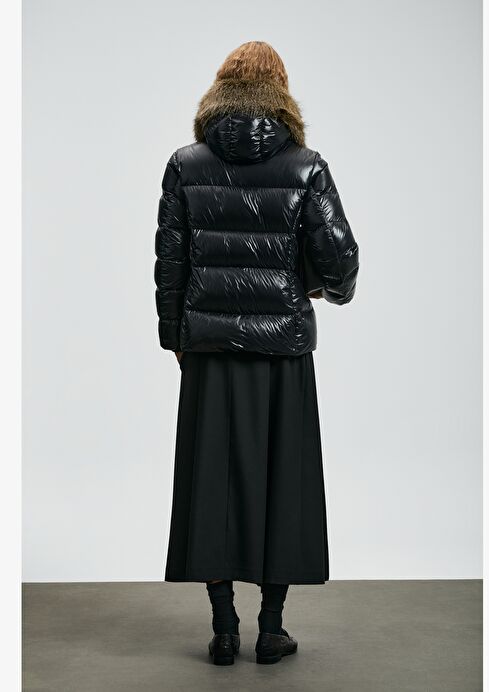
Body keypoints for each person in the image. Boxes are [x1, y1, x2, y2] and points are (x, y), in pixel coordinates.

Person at [154, 41, 359, 666]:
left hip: (209, 348)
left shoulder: (185, 164)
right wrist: (326, 288)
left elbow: (170, 260)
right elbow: (340, 257)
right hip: (282, 349)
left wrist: (175, 338)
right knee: (282, 482)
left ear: (219, 90)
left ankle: (223, 629)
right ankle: (271, 630)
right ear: (282, 93)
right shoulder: (306, 165)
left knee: (210, 483)